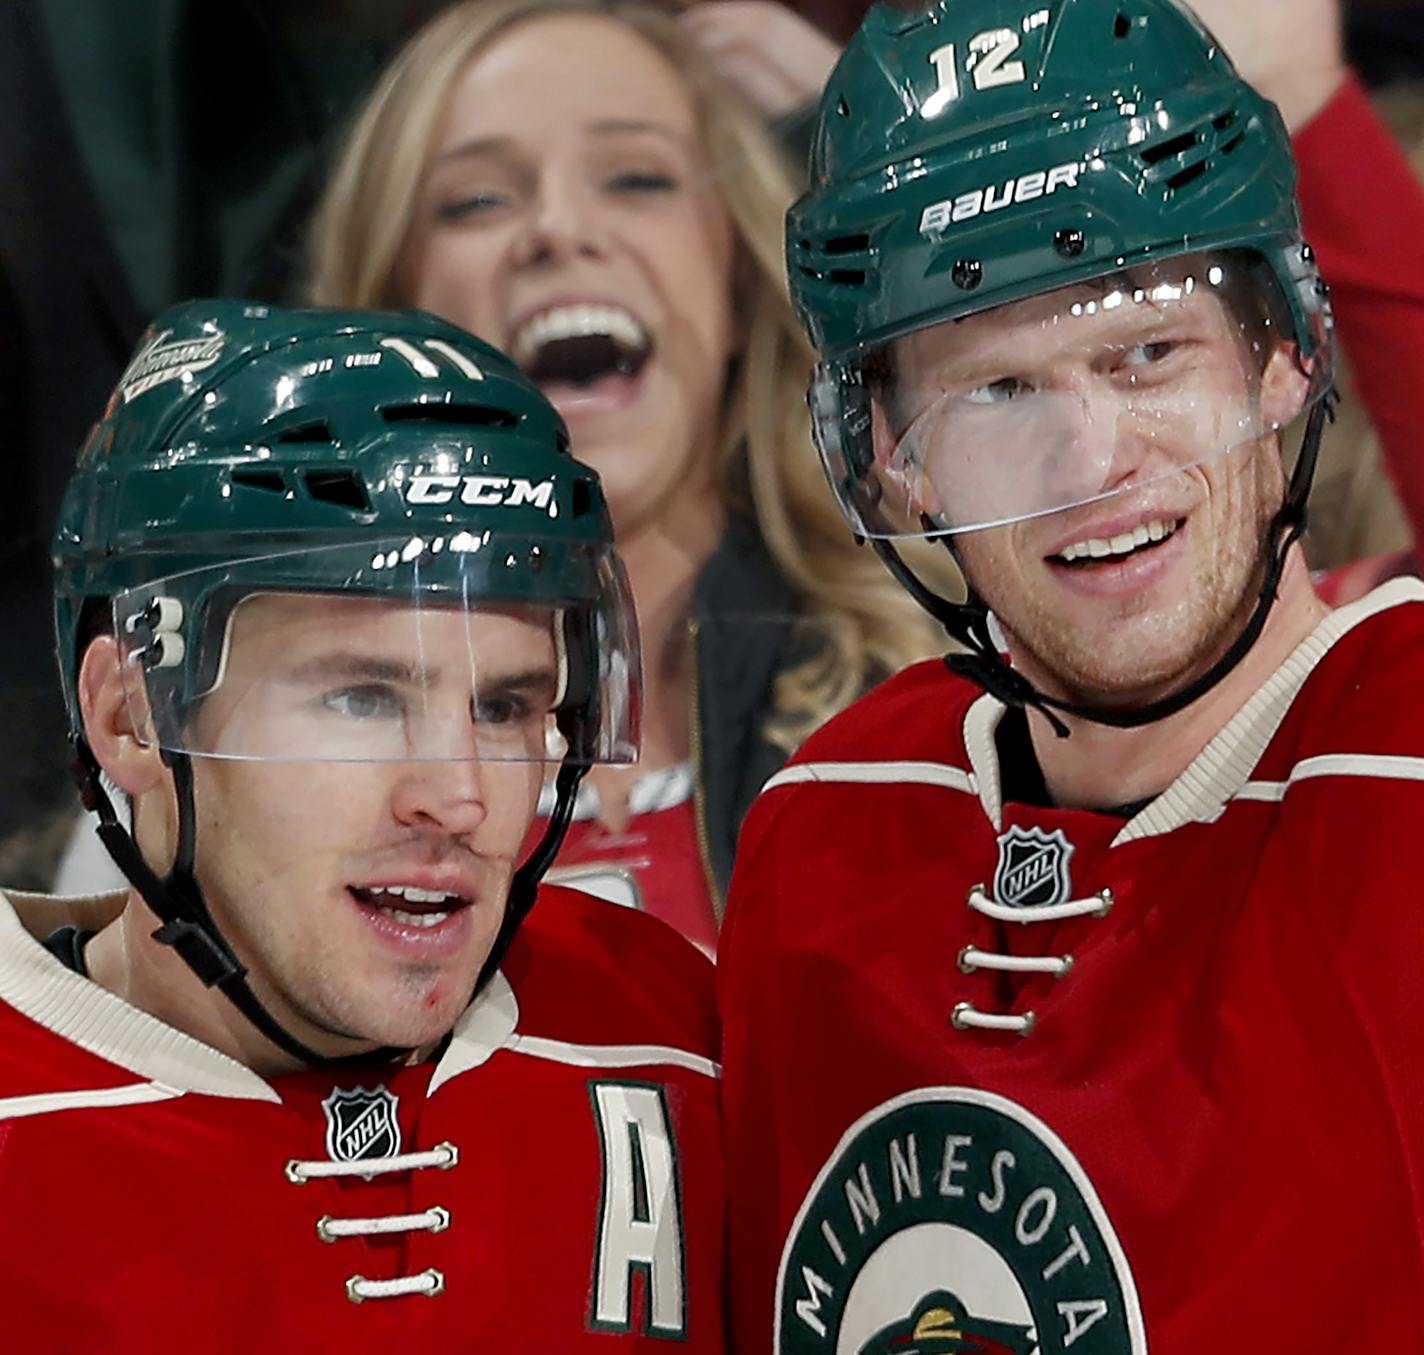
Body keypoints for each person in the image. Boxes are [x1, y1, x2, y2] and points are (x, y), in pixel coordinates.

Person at [719, 0, 1424, 1347]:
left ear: (1287, 355)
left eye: (1146, 351)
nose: (1093, 461)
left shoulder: (1402, 756)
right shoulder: (826, 828)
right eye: (996, 390)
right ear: (889, 458)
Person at [1, 301, 722, 1349]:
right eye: (363, 697)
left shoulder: (663, 1021)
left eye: (506, 705)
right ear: (132, 715)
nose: (459, 798)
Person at [302, 0, 955, 952]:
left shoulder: (949, 706)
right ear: (389, 318)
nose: (558, 231)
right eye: (476, 200)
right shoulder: (237, 749)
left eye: (639, 178)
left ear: (737, 288)